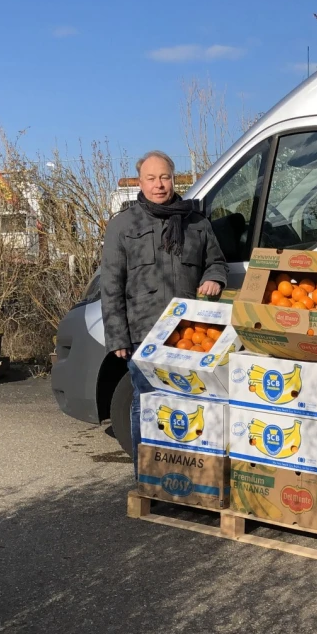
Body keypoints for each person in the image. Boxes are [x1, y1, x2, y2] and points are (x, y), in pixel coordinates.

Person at [101, 151, 228, 461]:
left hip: (190, 335)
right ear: (140, 183)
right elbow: (111, 284)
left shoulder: (195, 222)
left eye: (165, 177)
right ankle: (147, 478)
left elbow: (217, 262)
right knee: (147, 406)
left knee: (189, 407)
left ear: (173, 178)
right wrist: (117, 336)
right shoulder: (123, 225)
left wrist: (214, 278)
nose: (159, 185)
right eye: (151, 178)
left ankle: (186, 477)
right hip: (144, 335)